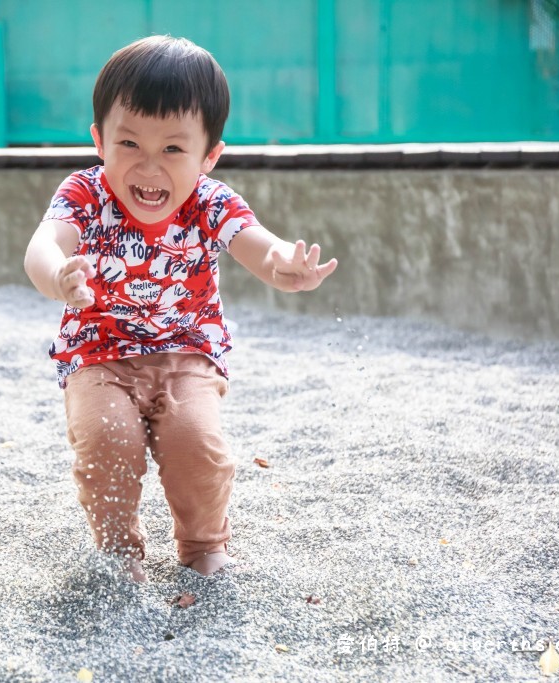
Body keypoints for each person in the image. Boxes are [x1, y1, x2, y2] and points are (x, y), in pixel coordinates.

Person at [23, 35, 337, 583]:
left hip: (187, 351)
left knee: (196, 443)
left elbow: (257, 245)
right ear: (99, 140)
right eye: (129, 144)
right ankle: (119, 549)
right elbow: (41, 246)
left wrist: (286, 263)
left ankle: (201, 544)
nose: (148, 168)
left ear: (208, 156)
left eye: (172, 149)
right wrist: (58, 273)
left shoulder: (210, 201)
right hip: (98, 353)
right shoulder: (84, 194)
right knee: (106, 441)